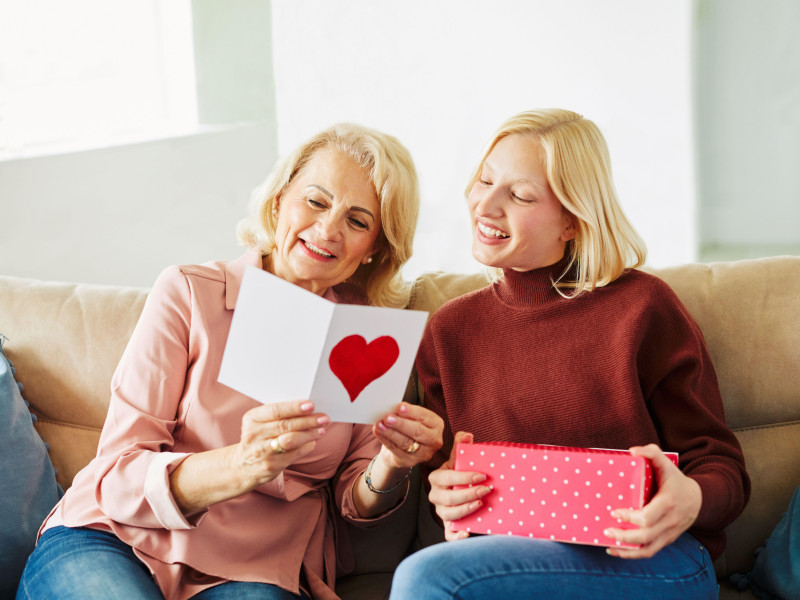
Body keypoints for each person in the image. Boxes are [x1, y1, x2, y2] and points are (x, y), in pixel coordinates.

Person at [16, 123, 444, 600]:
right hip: (118, 537)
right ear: (280, 200)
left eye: (358, 221)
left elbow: (355, 501)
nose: (328, 230)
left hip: (255, 569)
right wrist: (244, 463)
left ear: (374, 251)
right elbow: (120, 467)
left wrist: (391, 463)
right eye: (317, 201)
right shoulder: (190, 292)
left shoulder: (367, 336)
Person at [389, 109, 750, 600]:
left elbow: (721, 466)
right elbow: (456, 484)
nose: (485, 205)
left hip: (656, 559)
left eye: (518, 195)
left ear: (573, 222)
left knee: (425, 578)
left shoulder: (642, 309)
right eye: (485, 180)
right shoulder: (449, 330)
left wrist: (691, 498)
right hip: (521, 563)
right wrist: (447, 496)